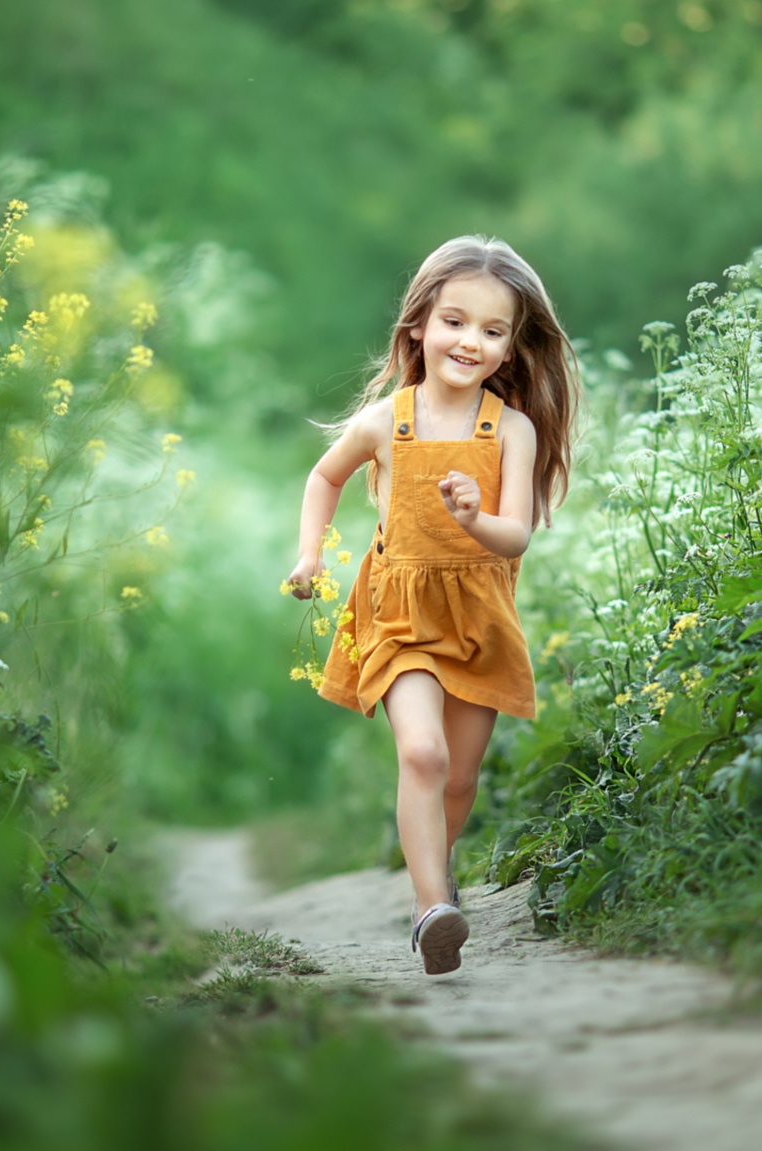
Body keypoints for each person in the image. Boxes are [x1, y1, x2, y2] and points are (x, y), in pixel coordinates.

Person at [287, 235, 577, 975]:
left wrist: (476, 518)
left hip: (478, 618)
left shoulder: (510, 428)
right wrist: (310, 555)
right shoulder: (389, 419)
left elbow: (513, 537)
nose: (470, 341)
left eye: (491, 330)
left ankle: (435, 873)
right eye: (454, 320)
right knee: (422, 752)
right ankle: (430, 913)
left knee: (457, 778)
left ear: (512, 348)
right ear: (418, 324)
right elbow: (325, 477)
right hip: (399, 612)